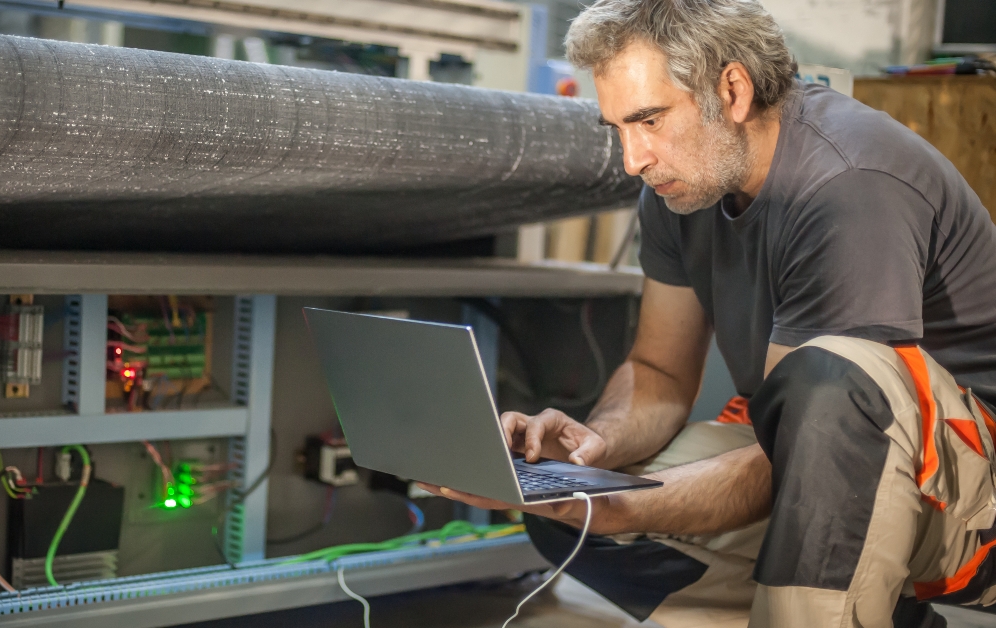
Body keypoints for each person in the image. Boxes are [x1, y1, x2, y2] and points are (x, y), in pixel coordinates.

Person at [418, 1, 996, 626]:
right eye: (619, 128)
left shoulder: (848, 185)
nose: (633, 159)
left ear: (733, 91)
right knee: (571, 512)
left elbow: (816, 438)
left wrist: (622, 507)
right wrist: (592, 450)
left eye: (649, 120)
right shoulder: (681, 187)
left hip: (971, 492)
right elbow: (660, 371)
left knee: (828, 383)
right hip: (831, 450)